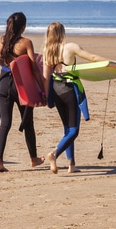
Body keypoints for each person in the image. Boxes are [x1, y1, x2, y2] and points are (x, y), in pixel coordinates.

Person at [41, 22, 106, 174]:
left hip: (56, 90)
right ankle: (54, 154)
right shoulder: (70, 47)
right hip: (69, 90)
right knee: (74, 130)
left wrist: (47, 97)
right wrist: (113, 64)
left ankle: (71, 165)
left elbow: (46, 77)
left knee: (67, 129)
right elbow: (93, 57)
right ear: (62, 33)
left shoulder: (47, 51)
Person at [0, 12, 44, 173]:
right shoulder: (26, 42)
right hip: (20, 86)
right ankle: (33, 158)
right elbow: (33, 66)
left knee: (5, 124)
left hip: (3, 85)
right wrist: (41, 85)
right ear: (23, 27)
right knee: (27, 121)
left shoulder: (2, 40)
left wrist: (8, 66)